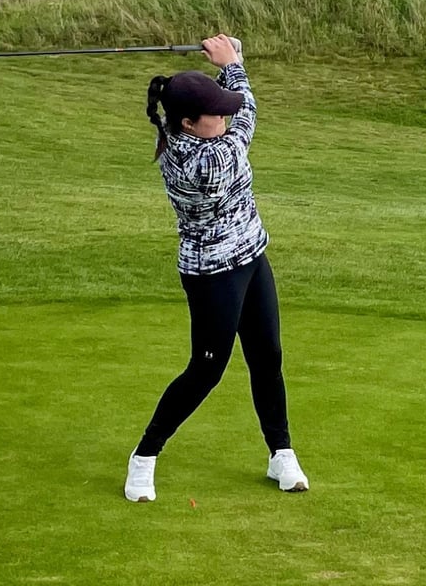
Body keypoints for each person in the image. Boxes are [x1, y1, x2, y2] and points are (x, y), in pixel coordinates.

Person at [124, 34, 309, 502]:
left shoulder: (195, 132)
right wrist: (235, 63)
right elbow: (247, 112)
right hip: (212, 273)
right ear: (187, 123)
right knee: (206, 370)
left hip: (251, 255)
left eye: (222, 112)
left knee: (267, 357)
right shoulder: (203, 160)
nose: (225, 119)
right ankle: (144, 456)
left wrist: (226, 70)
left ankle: (280, 452)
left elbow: (235, 108)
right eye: (215, 115)